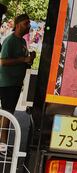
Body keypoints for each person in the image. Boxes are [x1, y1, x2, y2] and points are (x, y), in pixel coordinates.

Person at [0, 14, 35, 148]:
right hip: (7, 83)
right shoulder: (10, 40)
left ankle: (1, 142)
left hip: (15, 83)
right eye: (26, 23)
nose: (29, 26)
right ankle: (3, 144)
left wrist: (29, 59)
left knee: (7, 112)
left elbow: (24, 61)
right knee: (7, 113)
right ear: (19, 24)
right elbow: (3, 61)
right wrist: (23, 60)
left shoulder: (22, 41)